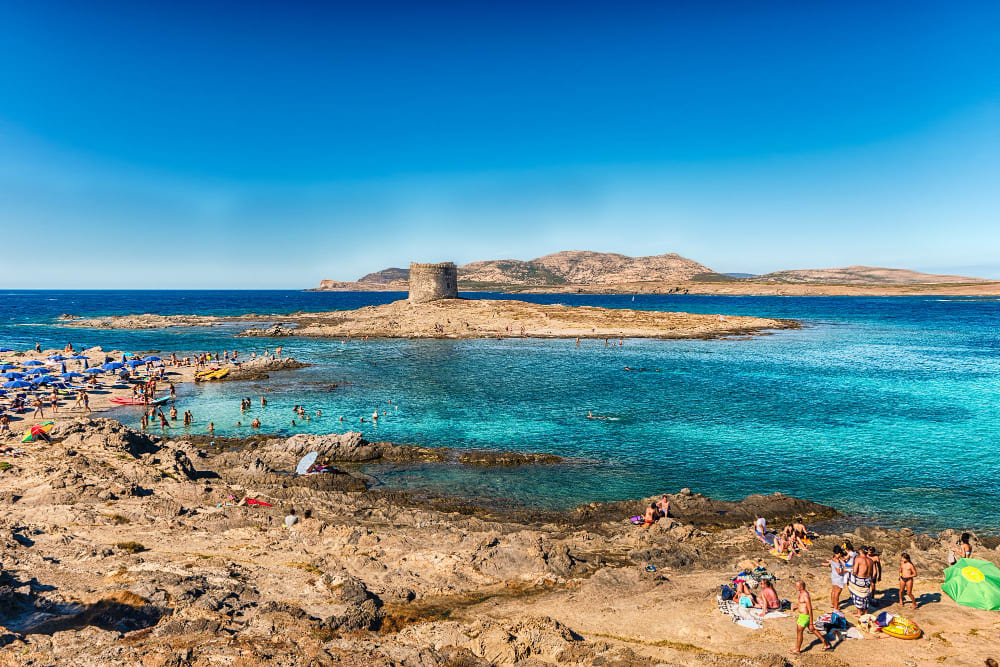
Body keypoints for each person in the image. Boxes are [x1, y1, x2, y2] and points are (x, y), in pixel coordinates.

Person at [792, 580, 832, 654]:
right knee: (813, 630)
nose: (795, 587)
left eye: (797, 586)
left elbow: (810, 609)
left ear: (801, 586)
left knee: (799, 632)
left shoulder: (805, 595)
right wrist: (797, 606)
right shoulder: (801, 593)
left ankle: (797, 649)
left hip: (805, 617)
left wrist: (811, 623)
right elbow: (802, 604)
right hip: (802, 616)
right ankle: (826, 643)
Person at [847, 547, 874, 615]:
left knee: (857, 595)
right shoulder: (870, 560)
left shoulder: (858, 559)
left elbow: (855, 571)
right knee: (865, 596)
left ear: (860, 551)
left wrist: (850, 573)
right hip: (867, 579)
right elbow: (872, 572)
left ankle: (859, 612)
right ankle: (865, 611)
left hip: (860, 579)